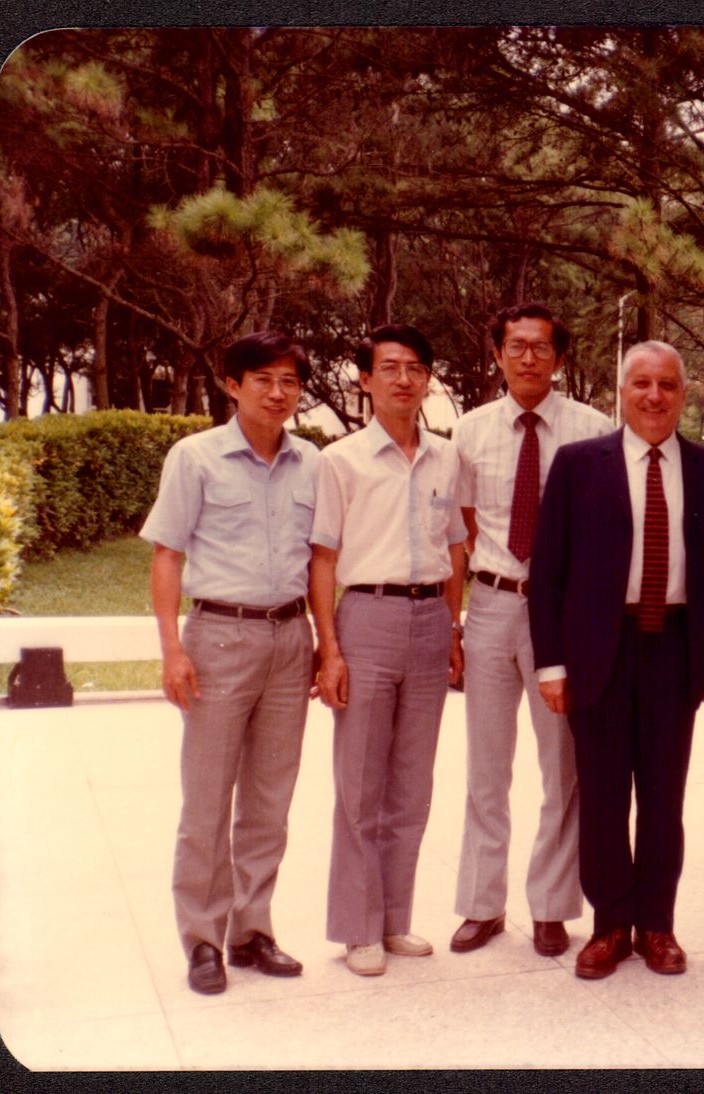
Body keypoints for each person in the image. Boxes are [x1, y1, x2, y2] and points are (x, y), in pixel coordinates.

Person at [527, 340, 704, 979]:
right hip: (600, 651)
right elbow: (548, 572)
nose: (654, 396)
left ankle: (657, 925)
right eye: (642, 384)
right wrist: (551, 665)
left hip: (675, 648)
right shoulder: (578, 464)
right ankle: (610, 926)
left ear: (684, 394)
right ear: (621, 393)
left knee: (663, 798)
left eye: (668, 385)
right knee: (601, 795)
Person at [142, 331, 319, 995]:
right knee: (208, 799)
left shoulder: (311, 463)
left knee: (270, 801)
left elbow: (321, 558)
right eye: (263, 379)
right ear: (232, 384)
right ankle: (201, 939)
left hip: (289, 639)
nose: (278, 393)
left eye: (289, 382)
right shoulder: (195, 458)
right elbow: (167, 554)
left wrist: (322, 643)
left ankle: (252, 930)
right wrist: (171, 648)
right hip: (219, 638)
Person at [449, 304, 612, 959]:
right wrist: (454, 622)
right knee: (486, 767)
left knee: (561, 768)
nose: (528, 358)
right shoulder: (469, 431)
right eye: (515, 346)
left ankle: (551, 907)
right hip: (493, 603)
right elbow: (463, 530)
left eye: (541, 347)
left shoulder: (593, 430)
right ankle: (482, 905)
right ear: (497, 354)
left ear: (559, 359)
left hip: (563, 615)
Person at [309, 323, 468, 977]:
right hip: (366, 618)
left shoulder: (446, 458)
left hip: (430, 620)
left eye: (416, 369)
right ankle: (358, 927)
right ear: (366, 379)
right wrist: (330, 650)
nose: (404, 379)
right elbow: (323, 558)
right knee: (360, 785)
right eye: (390, 367)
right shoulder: (340, 461)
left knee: (412, 785)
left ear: (428, 380)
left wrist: (452, 628)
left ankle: (395, 919)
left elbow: (455, 547)